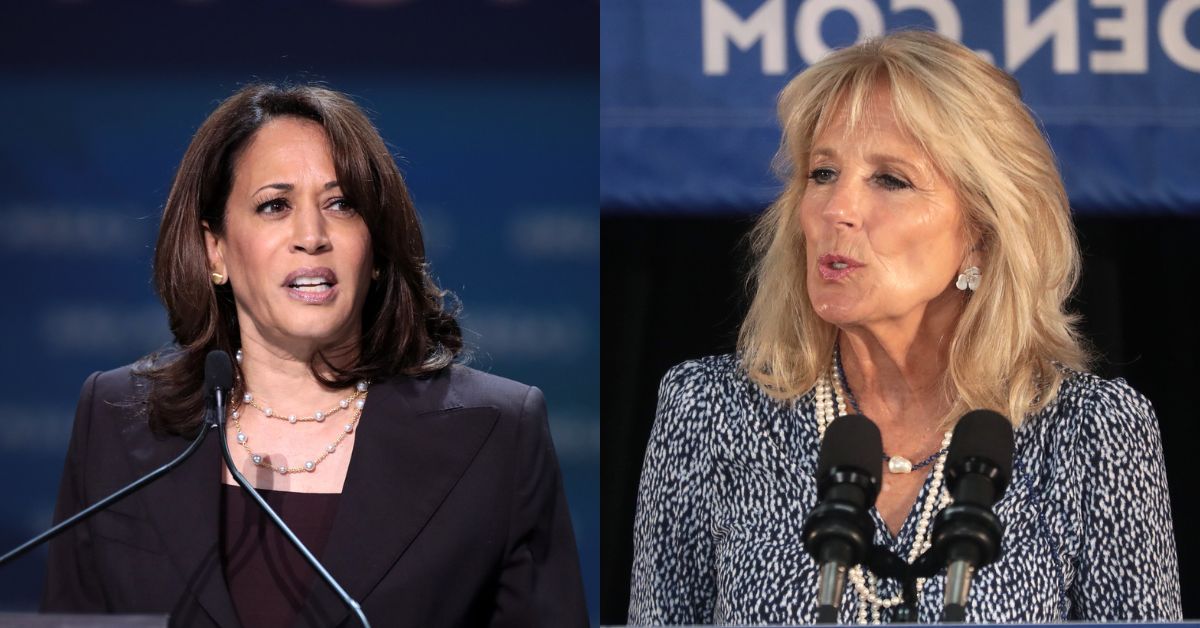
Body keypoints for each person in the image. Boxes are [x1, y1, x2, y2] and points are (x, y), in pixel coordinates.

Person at [628, 30, 1180, 625]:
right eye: (822, 173)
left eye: (889, 179)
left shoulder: (1094, 433)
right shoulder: (708, 412)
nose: (838, 208)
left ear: (982, 231)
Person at [40, 83, 588, 628]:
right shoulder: (114, 420)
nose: (312, 235)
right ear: (216, 251)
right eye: (274, 205)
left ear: (374, 248)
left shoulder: (495, 434)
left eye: (341, 204)